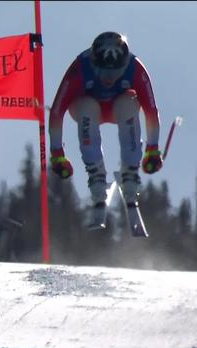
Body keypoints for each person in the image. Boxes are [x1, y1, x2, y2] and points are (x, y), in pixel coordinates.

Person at [47, 31, 163, 229]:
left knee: (129, 104)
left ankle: (130, 171)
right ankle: (96, 174)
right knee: (87, 107)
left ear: (124, 64)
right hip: (88, 108)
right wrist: (57, 154)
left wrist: (152, 149)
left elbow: (151, 111)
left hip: (118, 107)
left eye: (115, 72)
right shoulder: (79, 68)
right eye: (102, 71)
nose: (109, 79)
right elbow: (57, 112)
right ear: (93, 63)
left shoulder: (136, 69)